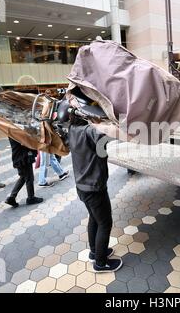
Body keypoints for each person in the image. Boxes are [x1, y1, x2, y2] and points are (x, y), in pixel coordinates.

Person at [68, 116, 122, 273]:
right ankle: (101, 263)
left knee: (95, 218)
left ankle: (95, 252)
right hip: (95, 187)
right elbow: (104, 148)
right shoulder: (91, 131)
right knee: (105, 223)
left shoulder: (73, 129)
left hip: (82, 186)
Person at [5, 138, 43, 208]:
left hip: (19, 156)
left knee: (23, 177)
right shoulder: (14, 131)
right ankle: (31, 198)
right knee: (29, 178)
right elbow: (24, 142)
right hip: (23, 157)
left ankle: (11, 197)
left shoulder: (11, 131)